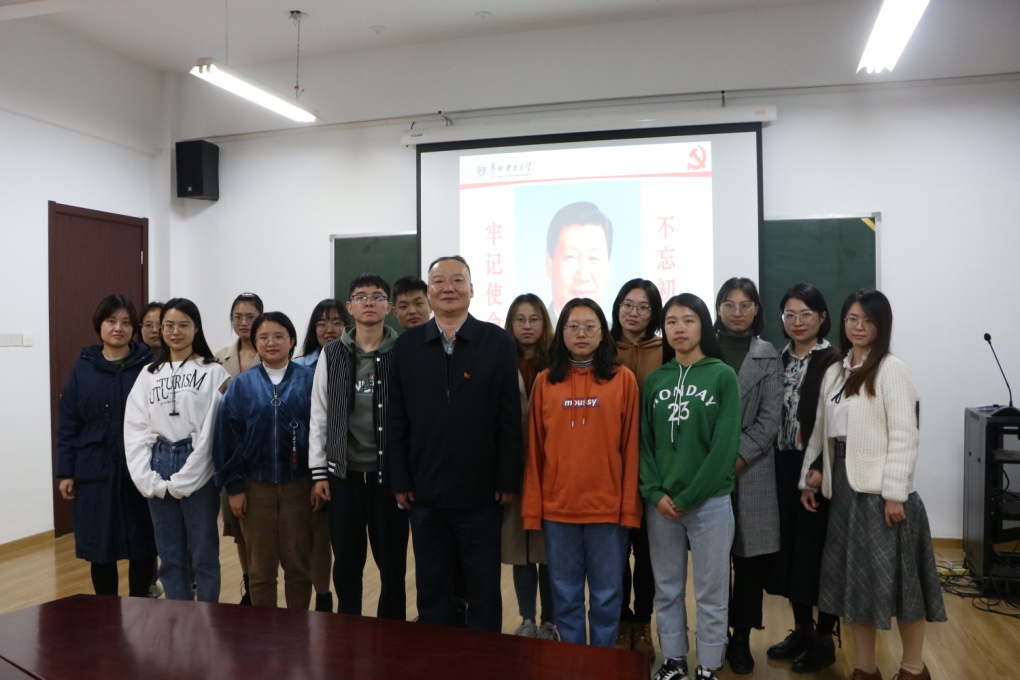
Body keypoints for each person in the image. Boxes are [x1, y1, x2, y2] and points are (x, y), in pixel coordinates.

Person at [799, 289, 945, 680]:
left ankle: (913, 668)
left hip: (883, 494)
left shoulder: (892, 369)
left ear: (882, 326)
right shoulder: (836, 370)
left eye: (868, 320)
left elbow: (905, 434)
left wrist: (895, 493)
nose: (859, 327)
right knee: (855, 585)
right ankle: (865, 669)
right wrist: (812, 474)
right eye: (852, 319)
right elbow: (823, 430)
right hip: (845, 491)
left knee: (902, 585)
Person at [388, 255, 522, 632]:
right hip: (424, 492)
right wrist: (400, 478)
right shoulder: (407, 347)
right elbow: (396, 420)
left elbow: (509, 418)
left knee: (483, 587)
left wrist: (507, 478)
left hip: (481, 493)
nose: (449, 287)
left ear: (472, 289)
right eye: (439, 281)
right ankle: (438, 658)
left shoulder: (497, 342)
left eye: (457, 280)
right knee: (432, 586)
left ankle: (485, 658)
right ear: (429, 292)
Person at [522, 297, 641, 647]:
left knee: (607, 597)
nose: (581, 333)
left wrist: (629, 509)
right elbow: (535, 452)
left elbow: (631, 449)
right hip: (558, 511)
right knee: (565, 596)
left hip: (607, 510)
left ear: (604, 333)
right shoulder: (546, 381)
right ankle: (573, 663)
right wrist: (533, 510)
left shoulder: (623, 380)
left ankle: (601, 663)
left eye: (590, 326)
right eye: (573, 326)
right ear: (561, 333)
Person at [642, 293, 741, 680]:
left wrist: (688, 497)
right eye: (671, 322)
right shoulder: (656, 379)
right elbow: (644, 443)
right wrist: (655, 493)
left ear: (703, 325)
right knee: (666, 588)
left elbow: (724, 447)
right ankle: (674, 660)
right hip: (662, 507)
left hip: (709, 504)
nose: (679, 328)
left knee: (711, 591)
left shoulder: (722, 375)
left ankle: (710, 665)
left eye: (688, 320)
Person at [309, 274, 409, 620]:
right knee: (347, 566)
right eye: (361, 297)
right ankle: (346, 634)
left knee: (392, 567)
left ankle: (391, 636)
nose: (369, 302)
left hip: (390, 479)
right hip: (343, 477)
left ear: (389, 307)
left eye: (377, 296)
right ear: (350, 307)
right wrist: (319, 473)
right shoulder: (331, 353)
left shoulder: (403, 352)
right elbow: (319, 414)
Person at [124, 297, 230, 602]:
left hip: (197, 462)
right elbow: (135, 427)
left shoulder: (214, 372)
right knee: (170, 557)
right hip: (159, 462)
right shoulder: (148, 374)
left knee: (204, 555)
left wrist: (190, 474)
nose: (175, 331)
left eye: (183, 325)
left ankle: (207, 620)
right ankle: (179, 619)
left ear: (196, 328)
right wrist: (146, 477)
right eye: (168, 325)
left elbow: (213, 430)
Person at [214, 311, 317, 610]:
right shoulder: (241, 385)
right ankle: (265, 630)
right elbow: (226, 441)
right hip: (254, 487)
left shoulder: (309, 381)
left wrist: (319, 478)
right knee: (260, 568)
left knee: (298, 565)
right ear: (255, 342)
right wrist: (234, 487)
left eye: (278, 336)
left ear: (292, 340)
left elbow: (322, 433)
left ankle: (297, 627)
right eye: (263, 337)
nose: (271, 342)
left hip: (299, 484)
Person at [56, 295, 156, 597]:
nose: (118, 328)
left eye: (125, 322)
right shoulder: (82, 369)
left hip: (140, 465)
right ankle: (106, 611)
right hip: (94, 467)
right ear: (99, 325)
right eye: (111, 321)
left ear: (134, 328)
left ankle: (141, 607)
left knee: (143, 542)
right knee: (101, 545)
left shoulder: (149, 366)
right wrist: (66, 471)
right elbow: (69, 424)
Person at [764, 284, 841, 673]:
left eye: (805, 314)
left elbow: (836, 423)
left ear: (822, 316)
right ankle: (802, 629)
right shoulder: (777, 359)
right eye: (789, 315)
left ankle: (825, 638)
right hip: (780, 465)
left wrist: (821, 467)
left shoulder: (834, 361)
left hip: (816, 467)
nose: (797, 322)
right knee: (791, 551)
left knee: (818, 551)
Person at [713, 277, 781, 674]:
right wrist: (712, 462)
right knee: (714, 559)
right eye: (729, 304)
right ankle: (716, 632)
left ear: (757, 309)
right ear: (718, 308)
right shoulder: (704, 349)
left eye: (745, 305)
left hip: (751, 469)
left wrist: (736, 459)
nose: (737, 312)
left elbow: (770, 419)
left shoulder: (768, 355)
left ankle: (741, 637)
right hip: (706, 469)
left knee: (749, 561)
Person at [608, 278, 664, 657]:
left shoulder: (667, 351)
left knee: (646, 554)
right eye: (628, 304)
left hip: (655, 467)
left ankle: (642, 621)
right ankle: (619, 619)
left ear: (653, 313)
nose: (634, 313)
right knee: (613, 552)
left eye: (643, 307)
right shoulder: (602, 348)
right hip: (610, 467)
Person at [501, 293, 557, 640]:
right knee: (520, 549)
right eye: (519, 320)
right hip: (513, 470)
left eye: (534, 319)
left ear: (544, 323)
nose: (526, 326)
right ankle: (526, 619)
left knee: (548, 552)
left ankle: (550, 621)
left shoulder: (558, 363)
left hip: (550, 471)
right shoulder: (499, 360)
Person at [293, 298, 350, 613]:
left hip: (343, 465)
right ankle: (321, 595)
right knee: (314, 536)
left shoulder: (355, 360)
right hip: (306, 464)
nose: (329, 329)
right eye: (322, 322)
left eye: (337, 322)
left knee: (341, 537)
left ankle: (340, 598)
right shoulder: (299, 367)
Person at [214, 291, 264, 605]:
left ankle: (264, 584)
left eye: (250, 316)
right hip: (231, 454)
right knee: (240, 529)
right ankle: (249, 585)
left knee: (265, 530)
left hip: (264, 453)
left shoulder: (272, 350)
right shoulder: (220, 357)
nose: (243, 322)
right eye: (237, 317)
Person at [545, 201, 613, 322]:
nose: (583, 276)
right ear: (549, 264)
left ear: (608, 268)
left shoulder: (616, 334)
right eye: (570, 257)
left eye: (594, 258)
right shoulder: (533, 333)